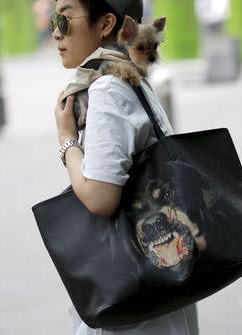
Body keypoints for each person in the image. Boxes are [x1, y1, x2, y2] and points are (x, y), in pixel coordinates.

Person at [51, 0, 200, 334]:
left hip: (134, 302)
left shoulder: (106, 88)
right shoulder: (126, 76)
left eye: (66, 16)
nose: (57, 32)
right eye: (53, 19)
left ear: (105, 24)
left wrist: (67, 141)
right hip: (161, 283)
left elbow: (99, 198)